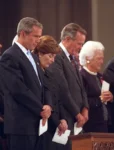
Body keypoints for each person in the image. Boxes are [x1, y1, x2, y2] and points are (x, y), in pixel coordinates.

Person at [0, 17, 52, 150]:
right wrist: (41, 108)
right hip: (21, 126)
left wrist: (48, 106)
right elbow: (18, 90)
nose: (38, 40)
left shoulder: (33, 56)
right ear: (23, 33)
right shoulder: (9, 56)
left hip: (38, 124)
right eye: (36, 36)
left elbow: (43, 85)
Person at [46, 23, 89, 150]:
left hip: (77, 120)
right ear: (67, 39)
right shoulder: (56, 56)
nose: (81, 47)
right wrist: (77, 113)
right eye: (79, 43)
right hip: (65, 117)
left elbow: (81, 87)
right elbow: (62, 89)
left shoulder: (73, 58)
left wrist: (85, 108)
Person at [34, 35, 68, 149]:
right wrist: (57, 122)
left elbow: (58, 99)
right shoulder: (36, 75)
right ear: (40, 54)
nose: (53, 60)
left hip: (56, 126)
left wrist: (62, 119)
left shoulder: (50, 74)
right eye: (50, 56)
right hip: (45, 128)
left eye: (54, 56)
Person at [79, 41, 113, 132]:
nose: (102, 62)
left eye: (102, 59)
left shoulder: (100, 76)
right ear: (87, 59)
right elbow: (82, 102)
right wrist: (100, 99)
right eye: (98, 59)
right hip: (90, 125)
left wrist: (110, 97)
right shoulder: (82, 76)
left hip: (104, 123)